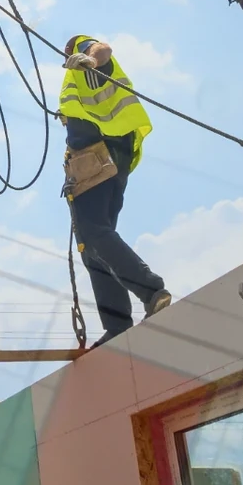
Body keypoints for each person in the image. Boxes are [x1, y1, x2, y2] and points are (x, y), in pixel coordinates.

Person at [59, 35, 171, 347]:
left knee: (94, 233)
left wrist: (88, 58)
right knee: (92, 245)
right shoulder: (82, 76)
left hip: (100, 154)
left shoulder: (84, 51)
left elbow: (102, 49)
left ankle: (150, 289)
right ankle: (118, 325)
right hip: (105, 160)